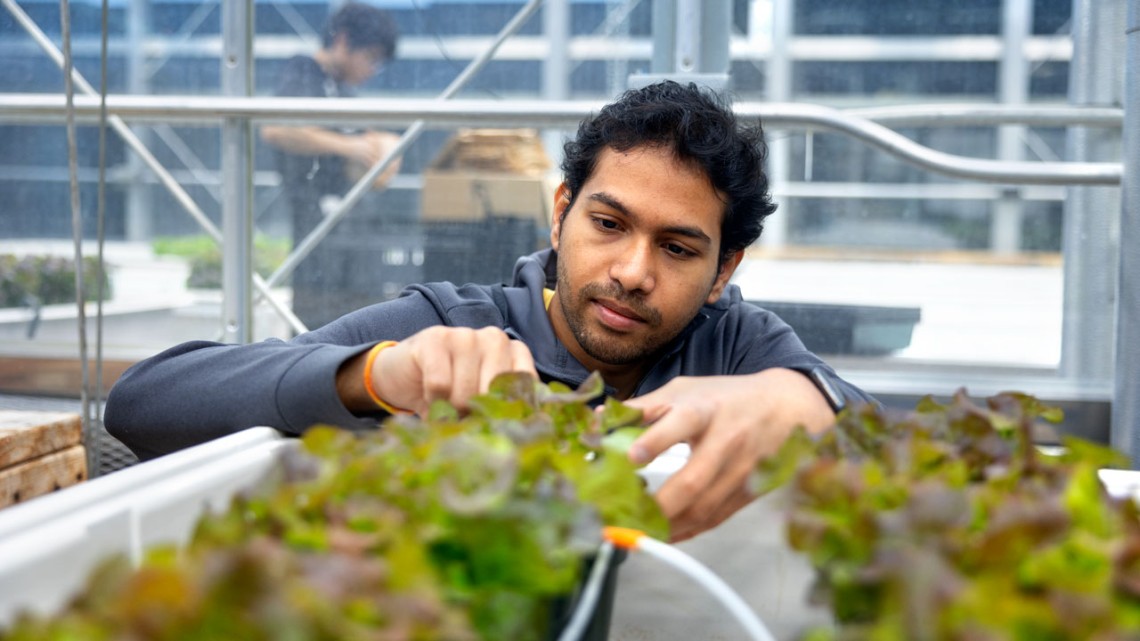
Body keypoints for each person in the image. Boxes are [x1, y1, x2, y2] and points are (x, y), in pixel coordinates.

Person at [106, 81, 874, 542]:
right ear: (560, 215)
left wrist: (816, 400)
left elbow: (928, 457)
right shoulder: (454, 321)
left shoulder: (743, 345)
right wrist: (376, 375)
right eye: (608, 225)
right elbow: (144, 402)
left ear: (723, 270)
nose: (632, 272)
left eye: (677, 248)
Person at [260, 2, 401, 328]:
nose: (371, 70)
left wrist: (383, 146)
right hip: (315, 222)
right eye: (370, 58)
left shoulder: (343, 93)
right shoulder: (303, 72)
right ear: (342, 41)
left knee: (358, 317)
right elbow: (277, 127)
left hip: (350, 230)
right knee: (317, 319)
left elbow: (370, 149)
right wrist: (350, 147)